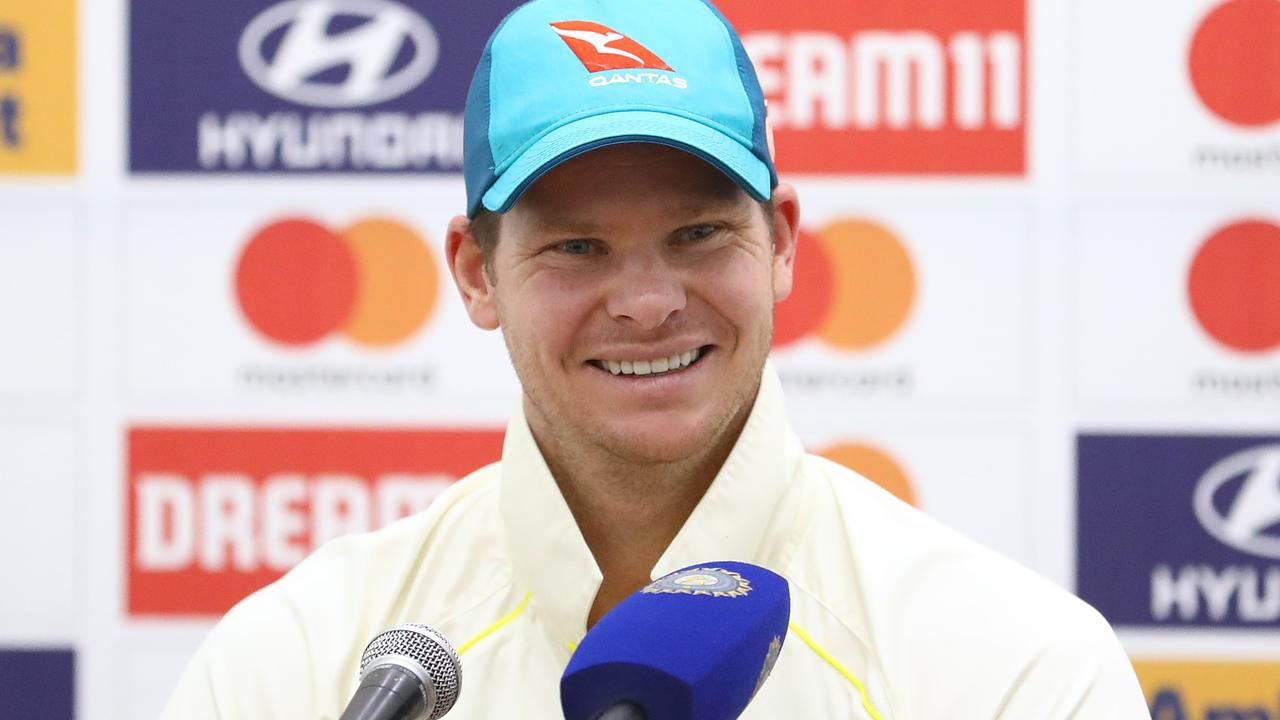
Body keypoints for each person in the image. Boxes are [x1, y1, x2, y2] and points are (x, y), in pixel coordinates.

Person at [162, 0, 1150, 717]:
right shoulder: (299, 664)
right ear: (474, 272)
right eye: (576, 247)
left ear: (783, 244)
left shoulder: (1012, 669)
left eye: (696, 236)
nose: (645, 304)